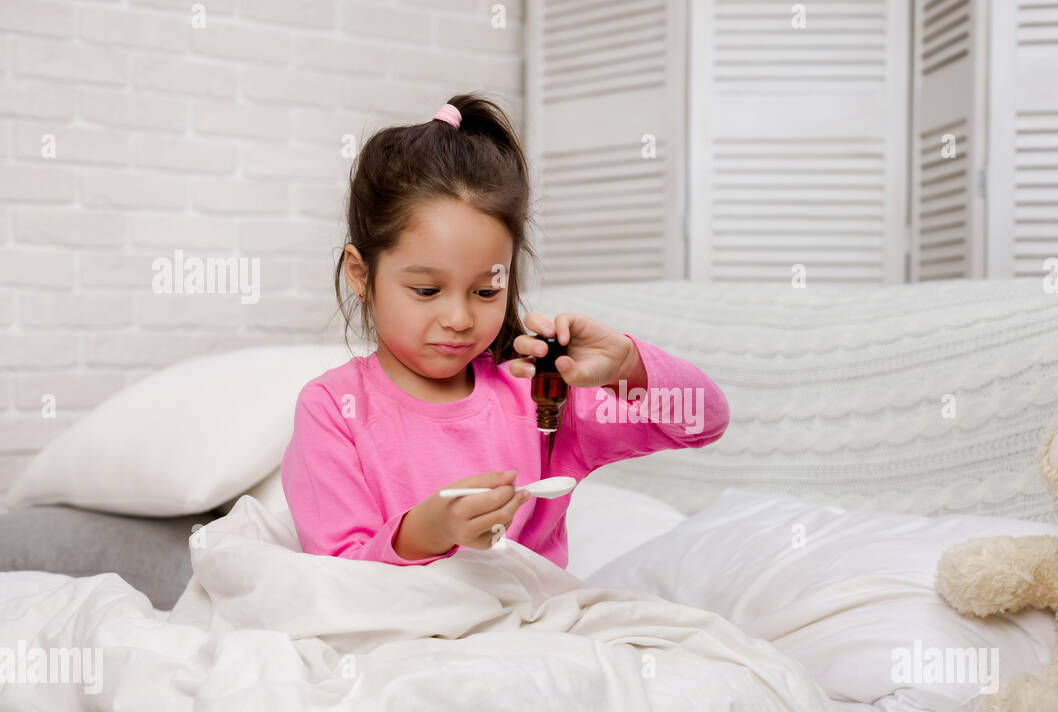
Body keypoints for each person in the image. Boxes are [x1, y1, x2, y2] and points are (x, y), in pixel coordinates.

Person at [281, 93, 729, 568]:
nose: (459, 318)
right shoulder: (334, 409)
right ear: (360, 272)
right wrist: (428, 532)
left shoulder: (539, 391)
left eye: (486, 291)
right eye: (427, 290)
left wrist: (628, 366)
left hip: (529, 629)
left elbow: (704, 422)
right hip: (403, 634)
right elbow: (335, 578)